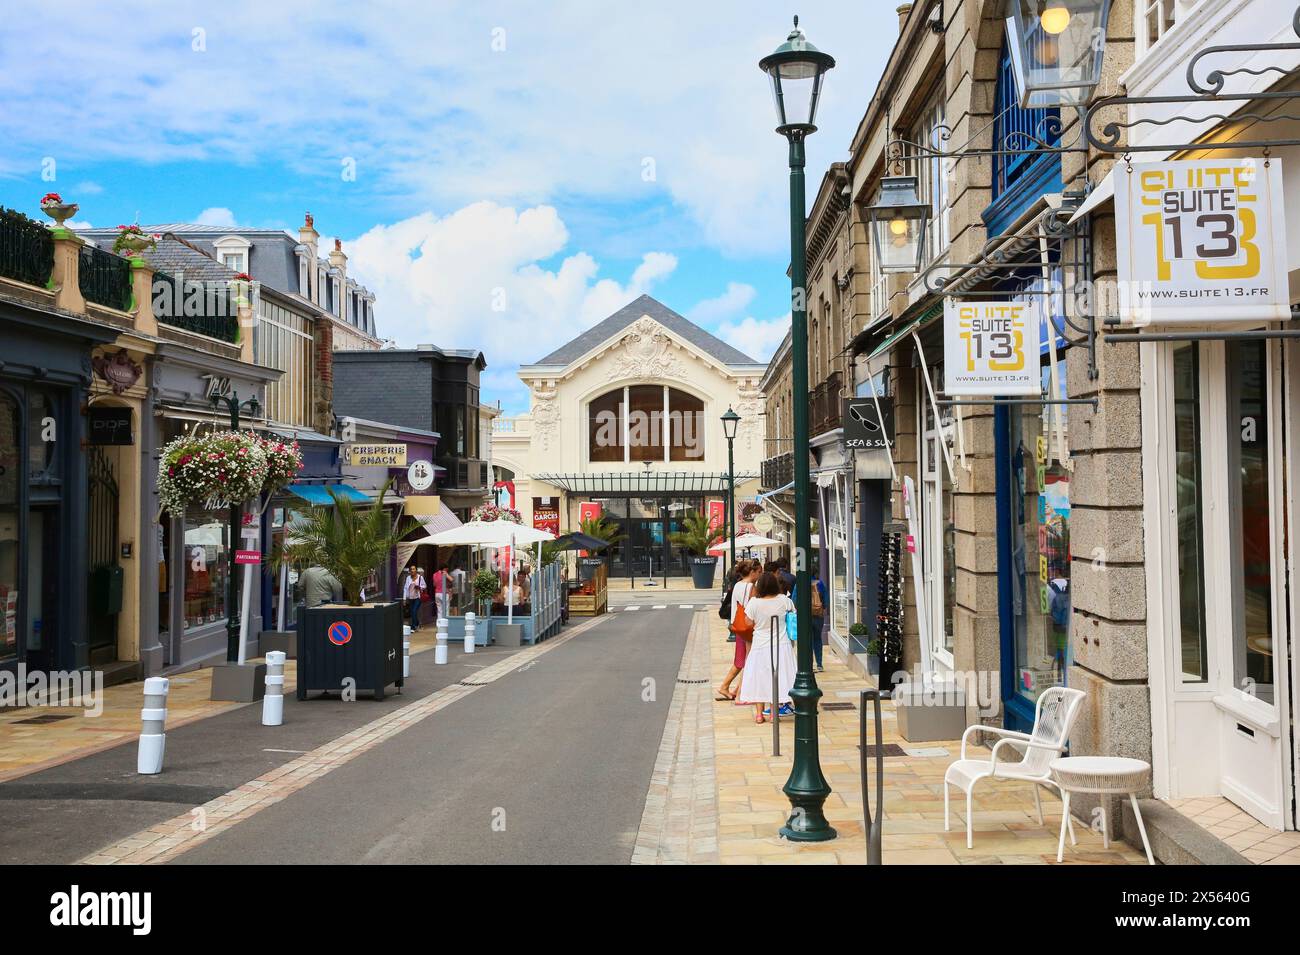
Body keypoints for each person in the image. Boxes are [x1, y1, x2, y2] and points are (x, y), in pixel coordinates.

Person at [737, 571, 797, 724]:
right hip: (781, 644)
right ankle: (773, 713)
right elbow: (793, 614)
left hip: (760, 645)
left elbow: (748, 622)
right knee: (776, 678)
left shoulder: (754, 603)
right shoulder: (784, 600)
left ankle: (759, 714)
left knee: (760, 678)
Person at [716, 559, 759, 701]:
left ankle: (730, 688)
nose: (760, 574)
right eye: (759, 571)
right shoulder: (751, 587)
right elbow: (753, 609)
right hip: (748, 627)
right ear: (752, 572)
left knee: (741, 660)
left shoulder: (738, 585)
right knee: (747, 660)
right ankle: (740, 694)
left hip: (737, 625)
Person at [794, 568, 828, 670]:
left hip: (805, 616)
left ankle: (809, 664)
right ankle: (819, 664)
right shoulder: (820, 584)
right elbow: (825, 601)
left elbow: (794, 600)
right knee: (818, 639)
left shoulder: (799, 584)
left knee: (807, 640)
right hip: (818, 616)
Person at [402, 564, 426, 631]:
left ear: (416, 570)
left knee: (414, 611)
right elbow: (405, 588)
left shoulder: (420, 577)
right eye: (411, 569)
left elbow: (424, 586)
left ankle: (413, 626)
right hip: (410, 598)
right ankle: (417, 624)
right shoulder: (408, 578)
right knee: (412, 612)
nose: (412, 570)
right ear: (409, 571)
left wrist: (419, 587)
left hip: (418, 598)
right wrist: (404, 599)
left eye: (414, 569)